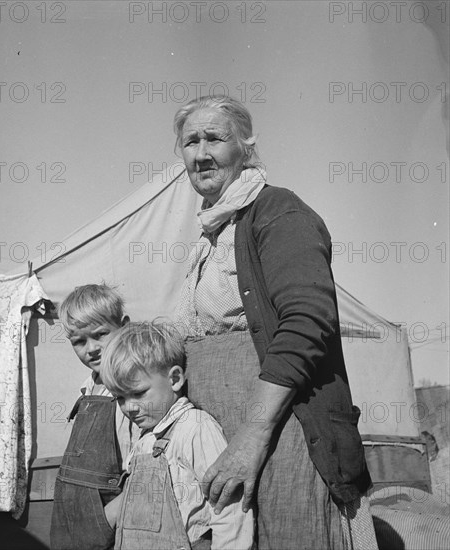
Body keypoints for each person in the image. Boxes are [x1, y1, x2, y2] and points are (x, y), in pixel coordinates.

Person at [174, 95, 379, 549]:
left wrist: (253, 435)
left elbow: (307, 322)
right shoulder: (211, 236)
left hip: (283, 431)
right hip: (227, 435)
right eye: (190, 142)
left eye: (215, 138)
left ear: (246, 148)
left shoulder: (277, 212)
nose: (201, 153)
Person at [100, 321, 254, 550]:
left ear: (174, 379)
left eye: (138, 393)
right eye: (120, 398)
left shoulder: (194, 428)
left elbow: (229, 508)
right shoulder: (143, 441)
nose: (129, 407)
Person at [49, 283, 138, 550]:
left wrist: (106, 519)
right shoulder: (90, 386)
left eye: (101, 334)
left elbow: (143, 469)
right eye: (79, 341)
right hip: (75, 518)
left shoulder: (135, 389)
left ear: (124, 326)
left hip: (112, 522)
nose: (91, 348)